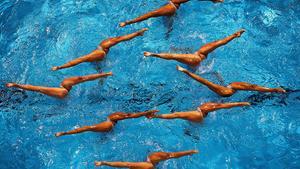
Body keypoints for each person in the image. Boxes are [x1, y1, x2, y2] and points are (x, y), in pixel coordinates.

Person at [51, 28, 148, 71]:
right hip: (97, 59)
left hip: (98, 59)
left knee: (99, 69)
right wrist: (60, 67)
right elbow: (78, 61)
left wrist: (137, 33)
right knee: (99, 68)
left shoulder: (105, 45)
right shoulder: (99, 54)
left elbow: (121, 39)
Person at [144, 29, 245, 66]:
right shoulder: (195, 58)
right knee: (216, 44)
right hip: (197, 60)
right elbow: (173, 56)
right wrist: (153, 54)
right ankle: (234, 35)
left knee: (216, 44)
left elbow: (173, 56)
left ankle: (234, 35)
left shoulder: (196, 56)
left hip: (198, 58)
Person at [177, 65, 286, 97]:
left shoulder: (225, 89)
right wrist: (273, 89)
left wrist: (186, 71)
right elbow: (252, 87)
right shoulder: (226, 89)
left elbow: (204, 81)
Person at [6, 72, 112, 99]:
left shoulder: (61, 91)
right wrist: (104, 75)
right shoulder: (66, 88)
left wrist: (16, 85)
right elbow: (86, 78)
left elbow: (36, 88)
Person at [119, 0, 224, 27]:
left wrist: (128, 22)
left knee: (166, 22)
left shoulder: (169, 8)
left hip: (171, 8)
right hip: (171, 7)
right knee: (169, 24)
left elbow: (149, 14)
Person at [55, 110, 159, 137]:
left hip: (108, 126)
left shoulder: (108, 124)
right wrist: (146, 112)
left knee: (90, 128)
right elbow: (131, 116)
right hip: (109, 126)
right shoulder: (117, 117)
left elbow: (87, 128)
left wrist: (65, 133)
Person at [149, 102, 250, 122]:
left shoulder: (196, 114)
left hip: (197, 118)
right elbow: (223, 106)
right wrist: (240, 103)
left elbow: (176, 115)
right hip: (199, 120)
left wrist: (156, 116)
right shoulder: (206, 110)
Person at [95, 150, 198, 168]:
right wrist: (104, 163)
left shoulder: (151, 159)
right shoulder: (147, 166)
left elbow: (172, 155)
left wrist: (189, 152)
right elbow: (126, 165)